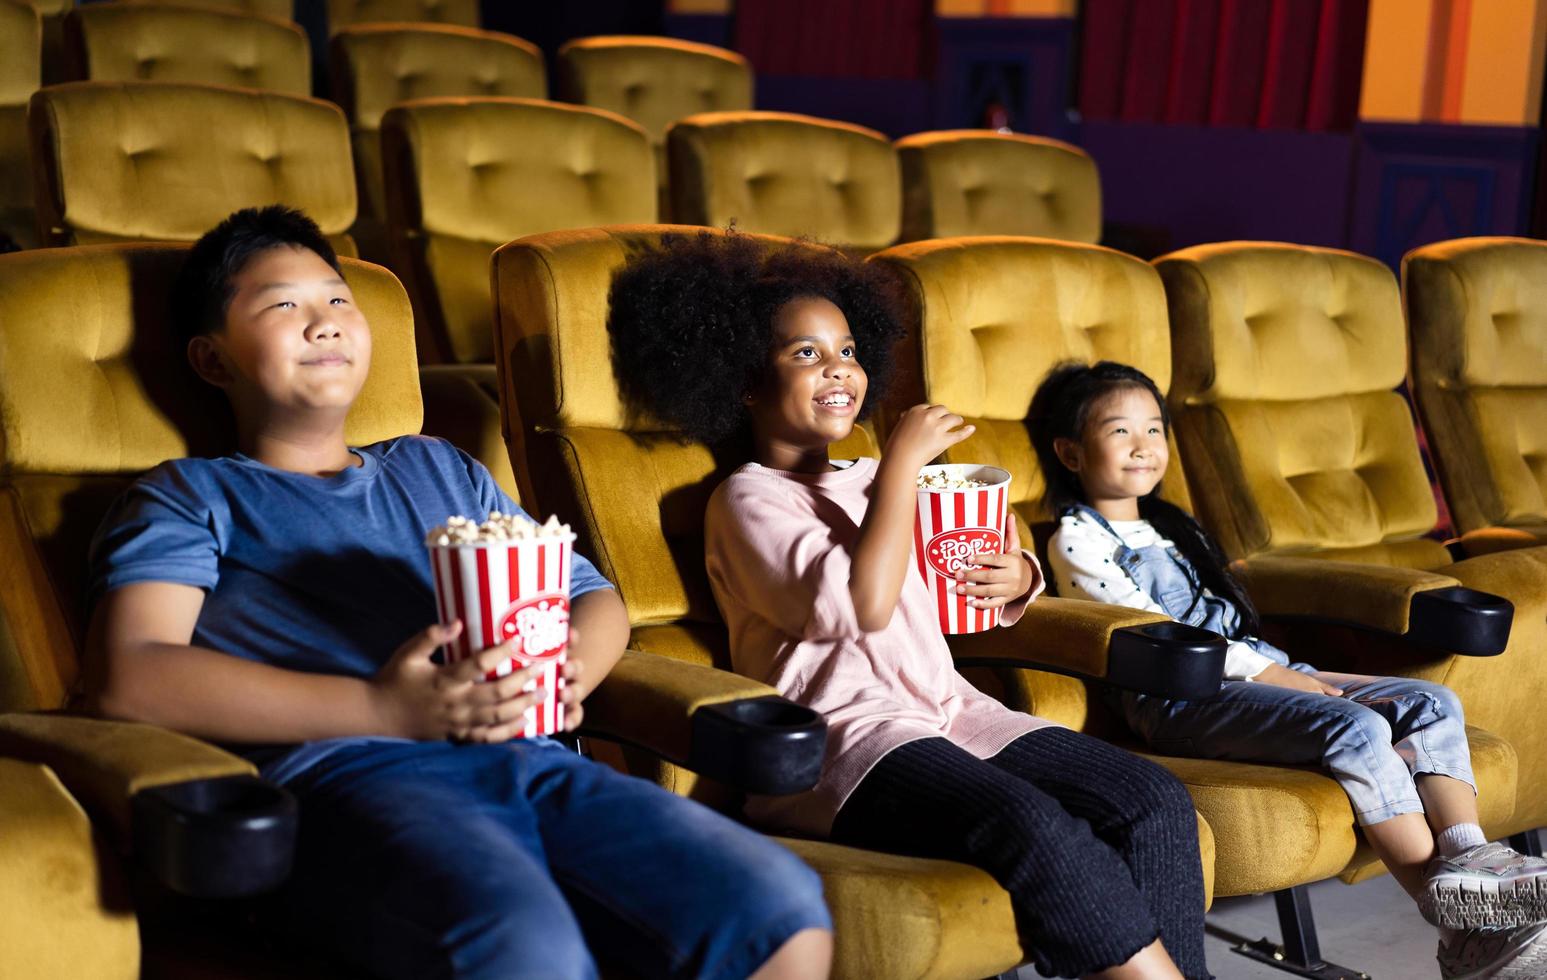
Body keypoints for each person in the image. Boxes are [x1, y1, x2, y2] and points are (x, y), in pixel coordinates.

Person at [82, 206, 833, 980]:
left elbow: (589, 595)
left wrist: (567, 668)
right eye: (282, 305)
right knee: (522, 943)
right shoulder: (192, 494)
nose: (325, 323)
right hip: (346, 777)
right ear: (212, 361)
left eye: (338, 299)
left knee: (778, 906)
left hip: (529, 763)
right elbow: (129, 675)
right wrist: (385, 710)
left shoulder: (437, 468)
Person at [607, 231, 1210, 980]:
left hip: (949, 710)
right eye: (805, 354)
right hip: (842, 743)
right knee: (1032, 826)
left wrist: (1016, 575)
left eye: (849, 351)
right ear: (743, 383)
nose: (838, 370)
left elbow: (957, 563)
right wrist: (898, 465)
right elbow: (859, 605)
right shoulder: (748, 499)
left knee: (1151, 799)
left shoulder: (874, 478)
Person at [1030, 359, 1547, 979]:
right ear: (1070, 451)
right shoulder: (1074, 541)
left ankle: (1470, 863)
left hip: (1258, 669)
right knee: (1357, 730)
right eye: (1120, 432)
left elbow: (1235, 621)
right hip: (1176, 696)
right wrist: (1282, 680)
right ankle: (1462, 931)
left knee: (1431, 703)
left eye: (1155, 430)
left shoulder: (1170, 529)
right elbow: (1150, 635)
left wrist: (1280, 672)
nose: (1143, 448)